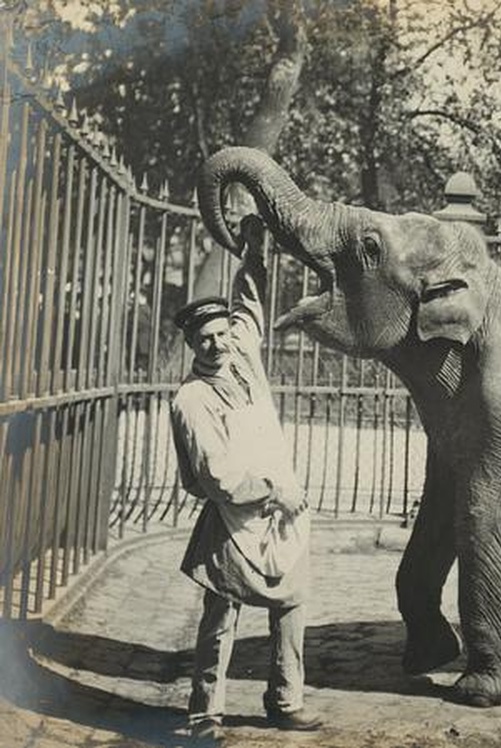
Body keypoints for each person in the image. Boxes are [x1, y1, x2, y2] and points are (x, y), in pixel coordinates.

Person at [169, 215, 322, 740]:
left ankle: (286, 700)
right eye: (205, 340)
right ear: (192, 345)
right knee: (221, 612)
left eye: (219, 335)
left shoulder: (242, 356)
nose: (216, 345)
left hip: (283, 510)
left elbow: (249, 304)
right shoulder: (192, 399)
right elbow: (217, 475)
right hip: (238, 514)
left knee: (292, 603)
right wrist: (271, 491)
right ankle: (204, 712)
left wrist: (254, 250)